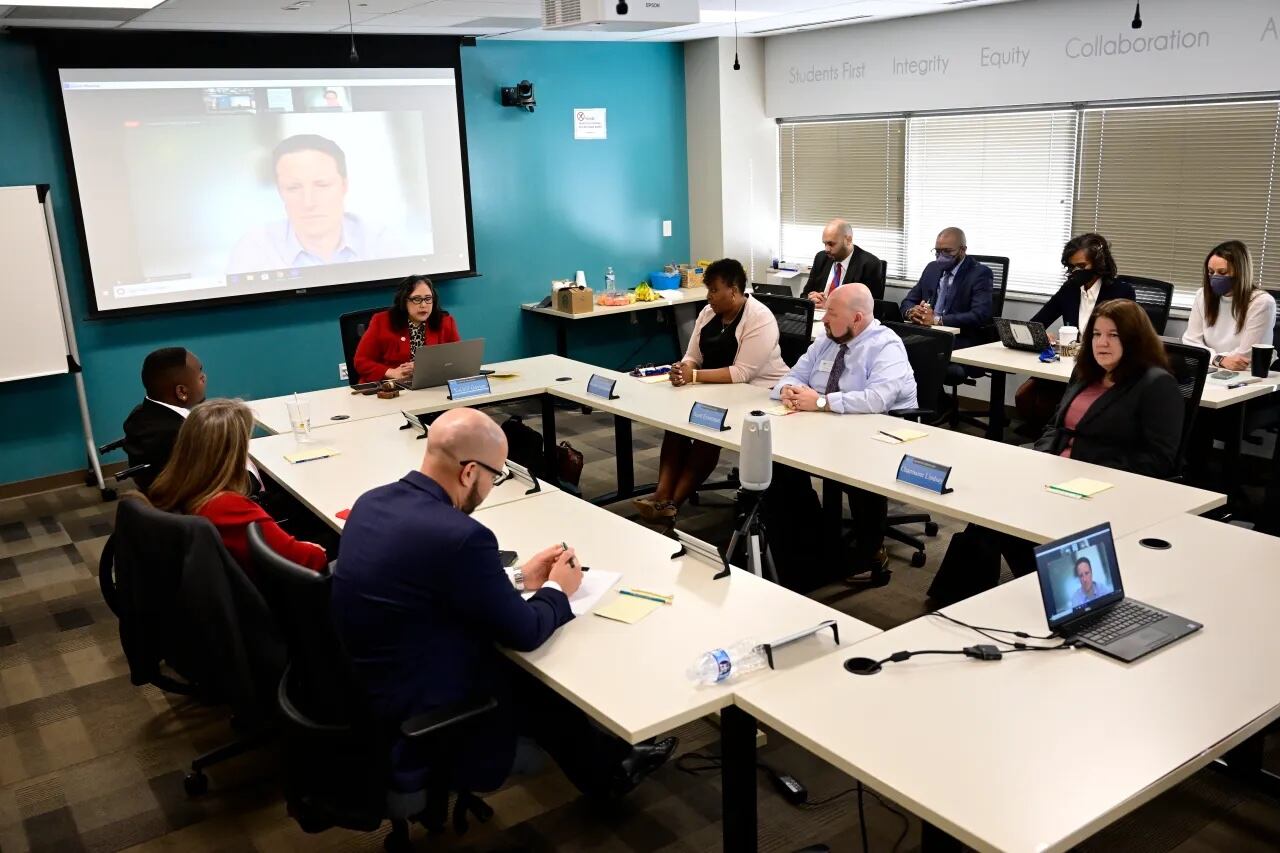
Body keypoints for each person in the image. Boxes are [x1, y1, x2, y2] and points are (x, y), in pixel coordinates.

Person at [331, 407, 676, 797]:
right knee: (535, 666)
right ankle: (609, 771)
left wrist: (519, 577)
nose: (494, 485)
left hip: (374, 682)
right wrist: (558, 589)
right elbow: (524, 632)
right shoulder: (462, 536)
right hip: (424, 705)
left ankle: (607, 765)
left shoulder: (372, 502)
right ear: (469, 472)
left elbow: (430, 584)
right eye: (496, 475)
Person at [931, 300, 1184, 603]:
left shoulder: (1155, 384)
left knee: (1006, 514)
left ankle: (977, 596)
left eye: (1113, 335)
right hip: (1057, 471)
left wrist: (1084, 470)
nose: (1102, 343)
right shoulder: (1086, 371)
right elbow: (1055, 425)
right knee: (992, 506)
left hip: (1103, 484)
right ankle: (973, 596)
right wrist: (1040, 459)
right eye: (1096, 334)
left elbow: (1159, 459)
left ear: (1134, 338)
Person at [769, 283, 918, 587]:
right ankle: (810, 537)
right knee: (778, 460)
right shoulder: (827, 340)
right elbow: (794, 374)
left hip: (882, 431)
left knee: (857, 470)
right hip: (828, 423)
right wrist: (788, 390)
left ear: (858, 318)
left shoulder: (885, 346)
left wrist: (822, 402)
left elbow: (877, 400)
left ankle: (870, 550)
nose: (823, 320)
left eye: (832, 314)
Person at [632, 259, 788, 522]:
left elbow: (742, 373)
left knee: (707, 428)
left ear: (735, 291)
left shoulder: (760, 318)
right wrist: (683, 369)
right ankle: (661, 493)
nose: (709, 297)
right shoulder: (707, 314)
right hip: (717, 390)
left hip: (759, 394)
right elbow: (692, 355)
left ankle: (672, 503)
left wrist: (693, 375)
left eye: (714, 290)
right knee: (677, 426)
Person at [148, 399, 329, 577]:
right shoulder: (228, 507)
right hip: (281, 592)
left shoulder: (171, 486)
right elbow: (309, 559)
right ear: (231, 454)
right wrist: (315, 550)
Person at [227, 134, 405, 273]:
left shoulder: (379, 240)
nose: (308, 202)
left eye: (322, 185)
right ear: (280, 192)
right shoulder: (255, 247)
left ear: (344, 186)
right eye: (293, 187)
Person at [1015, 233, 1136, 431]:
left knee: (1047, 403)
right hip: (1067, 362)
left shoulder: (1120, 292)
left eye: (1081, 267)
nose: (1075, 272)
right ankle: (1048, 439)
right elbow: (1037, 322)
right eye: (1071, 267)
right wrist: (1042, 334)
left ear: (1099, 264)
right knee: (1024, 397)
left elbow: (1124, 338)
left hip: (1100, 367)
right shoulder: (1070, 289)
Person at [122, 347, 208, 492]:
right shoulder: (182, 436)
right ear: (182, 392)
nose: (204, 378)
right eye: (200, 376)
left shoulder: (140, 413)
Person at [1182, 240, 1276, 371]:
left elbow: (1246, 355)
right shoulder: (1202, 295)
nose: (1214, 277)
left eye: (1222, 272)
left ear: (1241, 273)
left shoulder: (1262, 302)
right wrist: (1219, 360)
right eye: (1210, 272)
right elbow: (1190, 341)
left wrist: (1210, 358)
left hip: (1247, 374)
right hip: (1211, 368)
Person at [354, 275, 461, 383]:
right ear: (404, 300)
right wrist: (391, 372)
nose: (423, 305)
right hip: (390, 387)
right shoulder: (381, 322)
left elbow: (457, 359)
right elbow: (361, 361)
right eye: (417, 299)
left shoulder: (445, 322)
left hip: (430, 384)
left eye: (428, 299)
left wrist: (423, 367)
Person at [900, 227, 994, 349]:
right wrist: (912, 312)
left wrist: (936, 320)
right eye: (938, 251)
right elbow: (908, 301)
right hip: (927, 333)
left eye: (947, 251)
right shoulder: (932, 268)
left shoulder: (979, 273)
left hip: (958, 338)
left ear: (962, 250)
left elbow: (979, 315)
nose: (941, 257)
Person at [801, 219, 886, 305]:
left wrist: (829, 306)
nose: (826, 249)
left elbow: (870, 308)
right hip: (816, 315)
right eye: (825, 244)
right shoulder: (821, 258)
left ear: (848, 240)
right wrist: (810, 299)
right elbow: (804, 295)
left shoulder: (869, 264)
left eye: (831, 244)